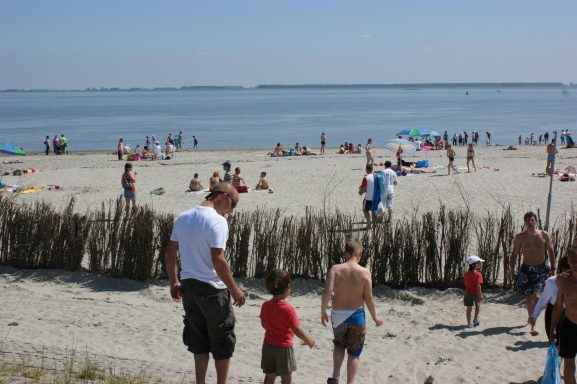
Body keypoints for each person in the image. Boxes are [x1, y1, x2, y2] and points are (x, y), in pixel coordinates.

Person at [165, 182, 244, 384]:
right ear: (223, 196)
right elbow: (218, 259)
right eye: (233, 205)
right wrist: (234, 289)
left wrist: (174, 281)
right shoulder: (217, 221)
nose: (231, 212)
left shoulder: (183, 217)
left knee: (198, 339)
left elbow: (170, 252)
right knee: (222, 340)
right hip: (212, 288)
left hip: (188, 286)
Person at [321, 238, 383, 384]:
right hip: (357, 316)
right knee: (354, 354)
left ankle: (335, 376)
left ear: (345, 253)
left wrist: (323, 311)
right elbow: (368, 297)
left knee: (339, 345)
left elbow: (327, 291)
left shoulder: (335, 269)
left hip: (338, 316)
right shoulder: (365, 272)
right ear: (360, 254)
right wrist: (375, 316)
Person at [260, 270, 315, 384]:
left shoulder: (265, 305)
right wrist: (308, 340)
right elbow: (296, 329)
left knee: (270, 375)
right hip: (283, 347)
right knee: (286, 377)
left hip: (268, 345)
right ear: (288, 287)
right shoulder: (288, 309)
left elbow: (264, 324)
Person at [510, 211, 556, 335]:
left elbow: (550, 250)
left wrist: (553, 267)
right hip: (526, 270)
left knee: (536, 296)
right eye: (528, 220)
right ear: (524, 222)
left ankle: (533, 325)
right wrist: (511, 270)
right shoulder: (520, 237)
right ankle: (531, 321)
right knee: (529, 298)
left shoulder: (543, 234)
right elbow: (514, 254)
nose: (530, 222)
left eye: (532, 220)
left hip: (541, 269)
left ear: (536, 221)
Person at [550, 246, 577, 384]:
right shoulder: (562, 279)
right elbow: (558, 306)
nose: (576, 264)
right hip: (570, 326)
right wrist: (552, 328)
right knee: (569, 364)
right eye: (573, 261)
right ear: (568, 262)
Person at [529, 256, 570, 338]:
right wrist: (534, 316)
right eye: (566, 269)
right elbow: (543, 299)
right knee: (553, 341)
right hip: (552, 312)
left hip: (570, 313)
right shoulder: (552, 281)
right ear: (561, 269)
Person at [464, 255, 484, 328]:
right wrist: (480, 294)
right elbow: (478, 285)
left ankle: (469, 323)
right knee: (477, 306)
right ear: (474, 264)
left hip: (467, 293)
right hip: (476, 293)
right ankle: (475, 319)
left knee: (469, 308)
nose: (480, 265)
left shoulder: (466, 274)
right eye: (479, 263)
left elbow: (466, 283)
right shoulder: (478, 274)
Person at [358, 164, 375, 229]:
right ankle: (374, 225)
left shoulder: (366, 178)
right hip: (376, 197)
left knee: (365, 210)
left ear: (366, 169)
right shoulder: (376, 176)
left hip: (368, 198)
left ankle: (369, 225)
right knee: (374, 211)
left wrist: (360, 192)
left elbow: (363, 189)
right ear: (372, 169)